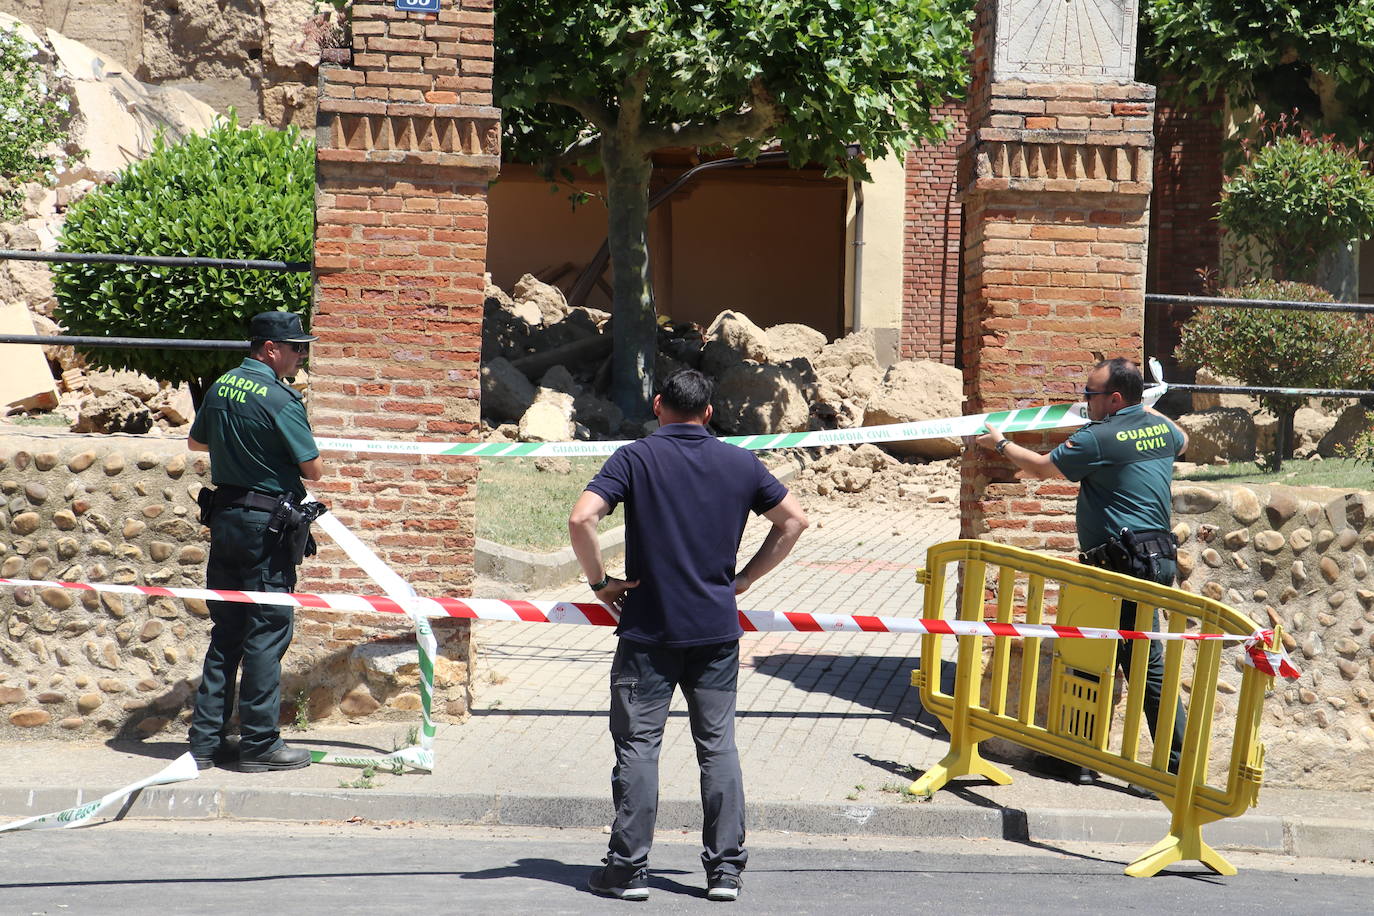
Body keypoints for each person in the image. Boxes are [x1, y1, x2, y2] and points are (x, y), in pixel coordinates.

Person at [569, 369, 809, 903]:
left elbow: (582, 518)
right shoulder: (740, 462)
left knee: (638, 747)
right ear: (708, 412)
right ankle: (724, 872)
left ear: (658, 405)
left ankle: (627, 870)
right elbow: (794, 521)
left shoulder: (634, 458)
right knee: (717, 746)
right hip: (715, 632)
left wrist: (600, 583)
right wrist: (744, 580)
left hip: (648, 633)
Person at [975, 357, 1188, 777]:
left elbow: (1041, 468)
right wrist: (1147, 408)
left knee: (1136, 663)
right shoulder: (1159, 428)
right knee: (1097, 651)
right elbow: (1183, 440)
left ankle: (1173, 767)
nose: (1084, 401)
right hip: (1153, 558)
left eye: (1090, 394)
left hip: (1122, 565)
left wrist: (999, 444)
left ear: (1114, 399)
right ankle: (1078, 754)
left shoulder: (1099, 437)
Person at [186, 310, 323, 773]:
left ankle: (206, 743)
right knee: (267, 631)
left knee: (226, 632)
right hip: (265, 526)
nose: (300, 356)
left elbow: (196, 443)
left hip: (225, 519)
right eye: (296, 348)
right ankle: (260, 744)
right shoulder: (281, 399)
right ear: (270, 349)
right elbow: (313, 469)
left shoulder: (221, 386)